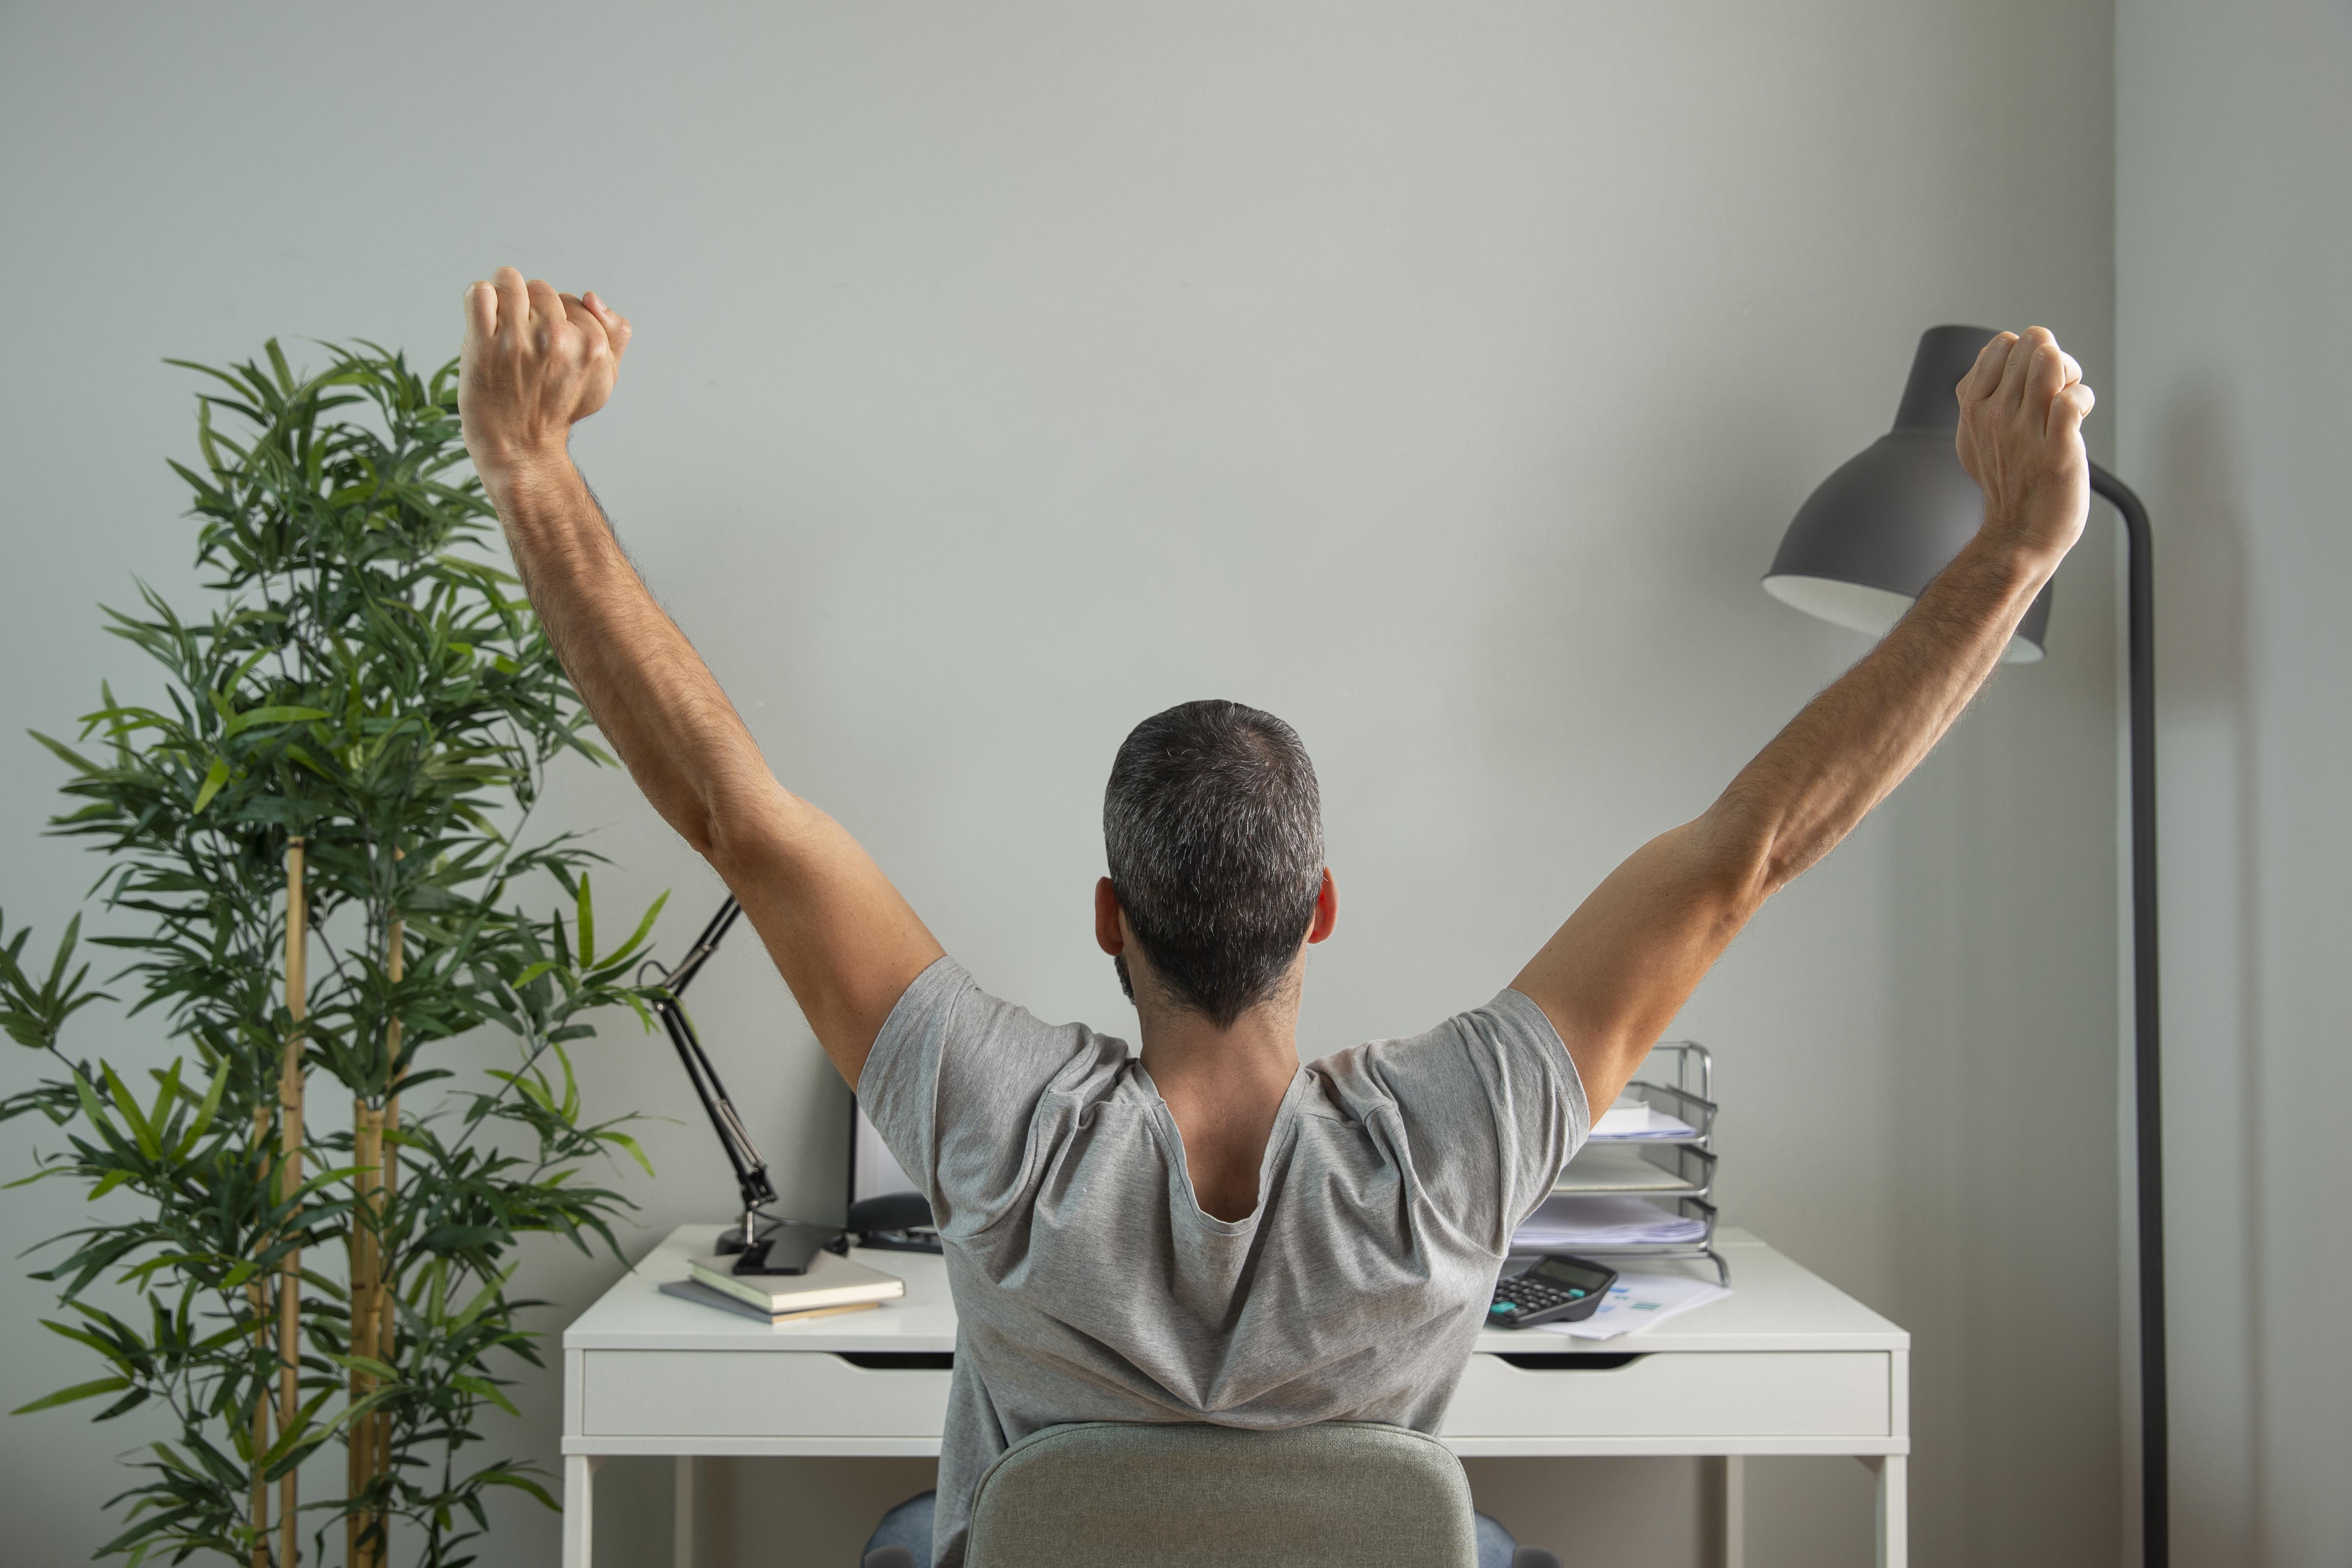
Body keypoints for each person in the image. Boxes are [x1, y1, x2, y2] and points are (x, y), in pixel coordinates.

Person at [456, 268, 2094, 1568]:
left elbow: (737, 816)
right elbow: (1754, 851)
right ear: (1318, 908)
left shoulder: (995, 1123)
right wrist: (2015, 543)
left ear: (1111, 918)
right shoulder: (1453, 1143)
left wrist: (531, 461)